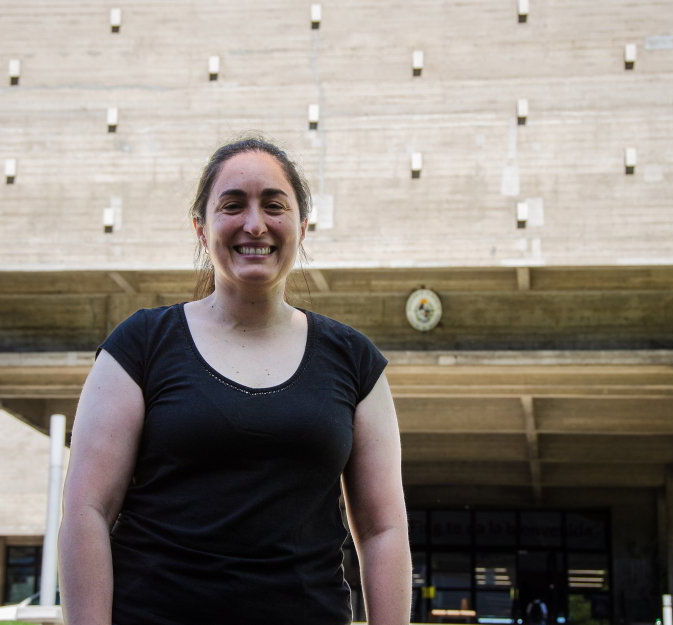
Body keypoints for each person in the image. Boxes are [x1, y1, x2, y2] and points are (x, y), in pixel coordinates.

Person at [58, 136, 412, 625]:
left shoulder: (355, 362)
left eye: (274, 205)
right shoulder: (140, 345)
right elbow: (86, 511)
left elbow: (383, 531)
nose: (254, 224)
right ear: (201, 229)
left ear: (302, 227)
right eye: (232, 206)